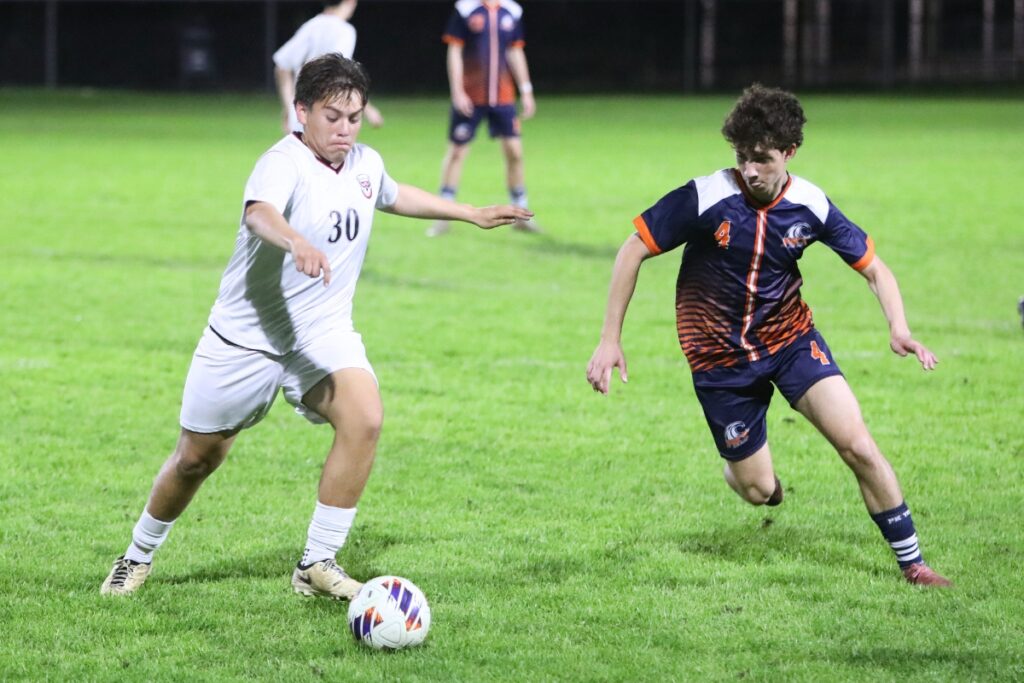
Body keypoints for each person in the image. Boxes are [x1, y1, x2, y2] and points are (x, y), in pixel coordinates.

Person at [101, 54, 532, 598]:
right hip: (247, 338)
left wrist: (468, 212)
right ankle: (136, 555)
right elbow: (260, 213)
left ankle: (316, 563)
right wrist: (295, 240)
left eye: (353, 117)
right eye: (332, 117)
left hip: (320, 334)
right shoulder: (282, 162)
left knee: (365, 417)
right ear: (301, 110)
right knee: (195, 459)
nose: (344, 129)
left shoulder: (364, 163)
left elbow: (393, 195)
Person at [586, 84, 951, 588]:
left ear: (790, 153)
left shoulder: (810, 204)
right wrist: (610, 339)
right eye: (741, 157)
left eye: (762, 158)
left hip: (791, 341)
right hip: (719, 361)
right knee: (759, 491)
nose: (750, 169)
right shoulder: (706, 196)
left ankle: (914, 563)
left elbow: (875, 270)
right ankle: (745, 472)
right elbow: (633, 249)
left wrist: (900, 328)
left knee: (858, 445)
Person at [426, 0, 541, 237]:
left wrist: (526, 90)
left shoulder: (512, 10)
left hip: (503, 97)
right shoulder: (466, 9)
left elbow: (514, 50)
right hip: (471, 95)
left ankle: (521, 214)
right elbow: (455, 51)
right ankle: (443, 215)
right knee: (457, 152)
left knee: (515, 153)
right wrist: (457, 91)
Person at [273, 0, 383, 134]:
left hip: (302, 112)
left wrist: (290, 107)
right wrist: (367, 109)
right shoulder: (345, 31)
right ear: (350, 2)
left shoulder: (311, 26)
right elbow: (341, 73)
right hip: (329, 113)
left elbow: (282, 66)